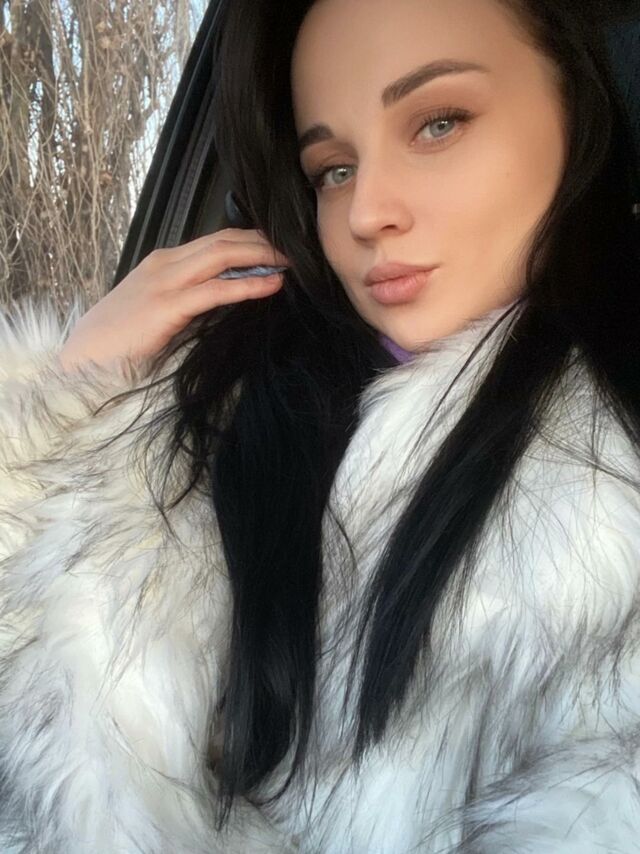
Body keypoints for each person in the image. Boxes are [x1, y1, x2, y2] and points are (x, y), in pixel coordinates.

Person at [0, 0, 639, 850]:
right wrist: (73, 388)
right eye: (333, 169)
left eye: (439, 123)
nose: (366, 211)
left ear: (576, 113)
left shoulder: (608, 499)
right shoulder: (227, 403)